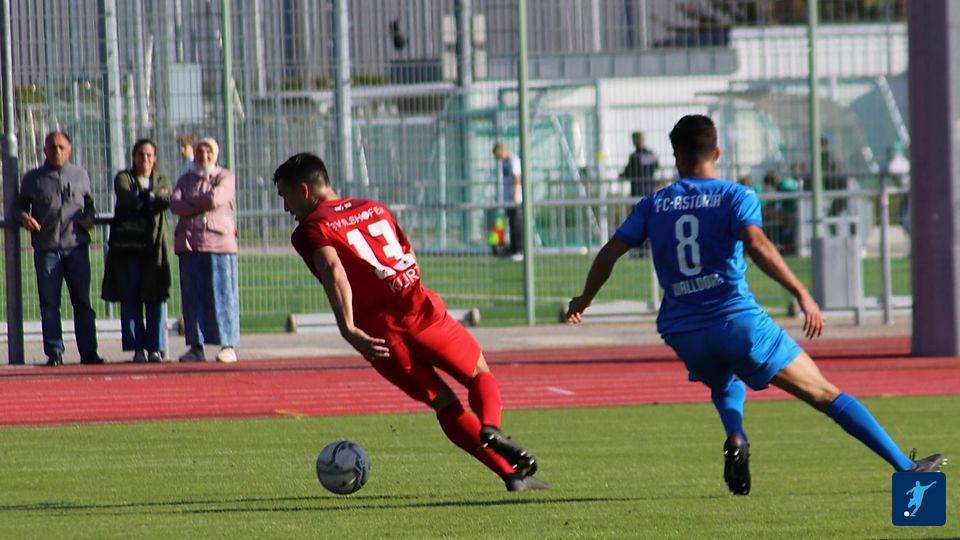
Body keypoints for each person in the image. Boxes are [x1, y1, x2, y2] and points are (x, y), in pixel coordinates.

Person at [565, 115, 943, 496]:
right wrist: (802, 292)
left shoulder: (653, 204)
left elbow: (609, 253)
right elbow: (757, 245)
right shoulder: (735, 196)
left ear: (676, 155)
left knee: (724, 379)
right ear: (717, 152)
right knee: (824, 393)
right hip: (736, 323)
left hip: (684, 331)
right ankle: (906, 467)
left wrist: (585, 299)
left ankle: (736, 435)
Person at [273, 152, 548, 492]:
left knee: (443, 403)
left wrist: (348, 328)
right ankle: (491, 427)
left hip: (380, 336)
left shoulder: (310, 229)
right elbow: (406, 254)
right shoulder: (374, 208)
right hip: (422, 312)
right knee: (478, 373)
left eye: (285, 196)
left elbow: (333, 268)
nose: (285, 207)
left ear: (303, 190)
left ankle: (510, 474)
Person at [17, 132, 105, 366]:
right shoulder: (33, 178)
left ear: (69, 150)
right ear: (45, 150)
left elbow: (89, 205)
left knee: (82, 302)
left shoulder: (80, 175)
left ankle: (89, 351)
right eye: (52, 147)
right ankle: (54, 351)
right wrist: (25, 218)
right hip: (47, 249)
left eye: (61, 147)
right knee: (49, 304)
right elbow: (19, 207)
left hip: (76, 247)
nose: (56, 151)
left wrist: (89, 218)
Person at [101, 139, 173, 362]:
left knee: (156, 296)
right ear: (133, 157)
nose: (145, 159)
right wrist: (149, 199)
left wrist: (145, 198)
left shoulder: (162, 179)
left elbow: (166, 198)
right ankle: (137, 348)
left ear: (155, 158)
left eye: (149, 155)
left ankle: (155, 348)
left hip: (155, 247)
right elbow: (126, 197)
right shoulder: (124, 177)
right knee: (130, 295)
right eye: (141, 154)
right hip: (128, 247)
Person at [170, 137, 239, 363]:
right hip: (190, 244)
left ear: (215, 154)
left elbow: (215, 199)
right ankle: (195, 346)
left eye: (209, 151)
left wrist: (191, 201)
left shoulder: (225, 176)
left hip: (219, 244)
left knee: (222, 295)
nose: (204, 155)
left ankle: (227, 344)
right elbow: (175, 204)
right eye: (200, 151)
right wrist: (200, 202)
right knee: (192, 298)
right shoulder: (185, 179)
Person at [492, 142, 524, 260]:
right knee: (509, 225)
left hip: (515, 200)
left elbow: (517, 178)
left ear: (501, 150)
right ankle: (511, 249)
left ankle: (518, 251)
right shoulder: (504, 162)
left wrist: (515, 196)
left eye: (498, 154)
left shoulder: (514, 160)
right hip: (507, 200)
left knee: (517, 225)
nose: (498, 158)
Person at [620, 131, 660, 198]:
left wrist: (621, 175)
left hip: (637, 187)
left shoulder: (634, 156)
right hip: (649, 186)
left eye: (634, 139)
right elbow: (656, 167)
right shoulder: (651, 154)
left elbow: (628, 171)